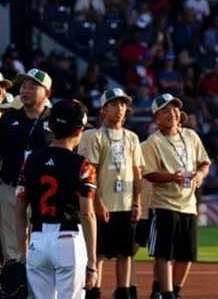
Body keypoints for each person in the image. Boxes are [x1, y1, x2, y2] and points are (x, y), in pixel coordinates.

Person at [15, 99, 98, 299]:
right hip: (68, 239)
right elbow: (87, 214)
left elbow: (19, 209)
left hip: (37, 240)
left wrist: (22, 253)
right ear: (79, 130)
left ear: (50, 126)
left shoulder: (31, 160)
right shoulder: (83, 165)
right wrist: (92, 263)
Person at [141, 94, 211, 299]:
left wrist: (200, 175)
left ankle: (172, 291)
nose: (172, 113)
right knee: (164, 254)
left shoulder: (190, 135)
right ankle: (167, 293)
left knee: (186, 255)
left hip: (188, 203)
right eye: (165, 110)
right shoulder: (152, 142)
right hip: (163, 203)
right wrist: (173, 177)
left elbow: (204, 163)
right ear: (156, 118)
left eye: (174, 109)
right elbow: (149, 174)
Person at [78, 89, 144, 299]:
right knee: (98, 252)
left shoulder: (132, 137)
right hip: (103, 204)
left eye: (123, 104)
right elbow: (91, 173)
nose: (120, 109)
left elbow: (137, 172)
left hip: (126, 204)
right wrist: (98, 203)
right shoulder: (94, 136)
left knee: (126, 253)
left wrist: (137, 202)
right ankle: (93, 290)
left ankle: (123, 291)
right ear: (104, 110)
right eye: (114, 105)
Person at [0, 68, 54, 262]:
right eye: (23, 86)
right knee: (11, 246)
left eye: (32, 87)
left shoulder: (55, 120)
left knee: (40, 244)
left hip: (43, 192)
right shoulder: (8, 118)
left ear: (47, 93)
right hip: (10, 188)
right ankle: (14, 279)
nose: (25, 91)